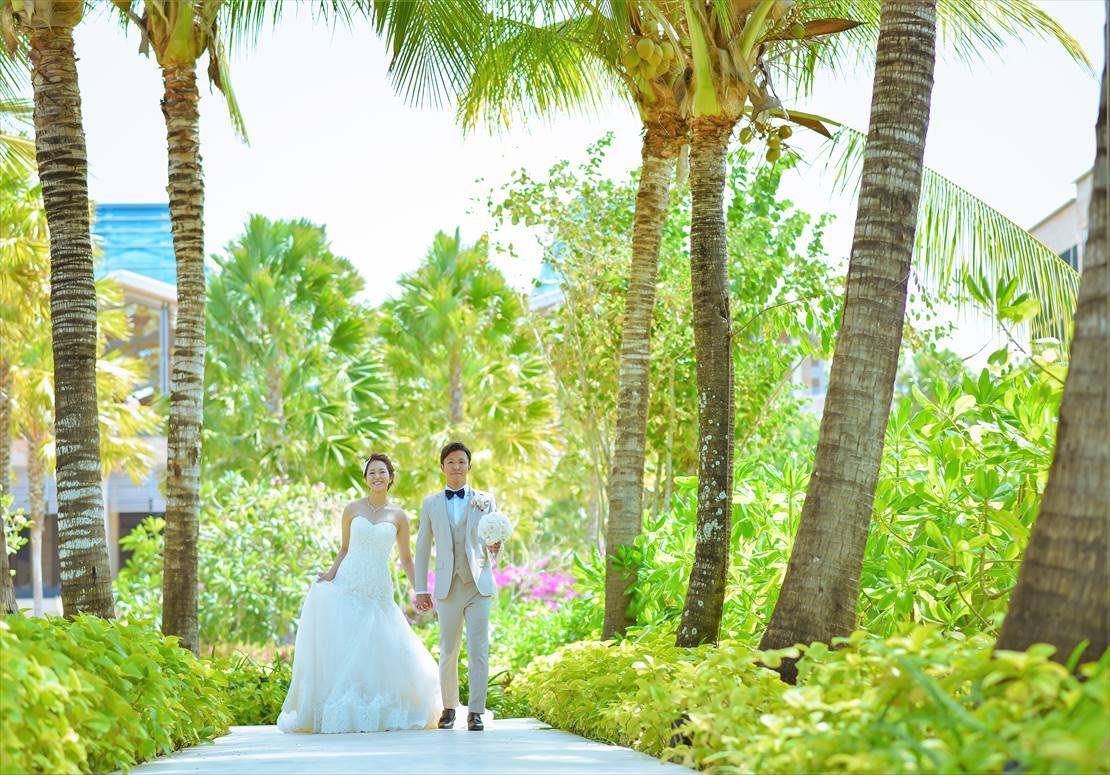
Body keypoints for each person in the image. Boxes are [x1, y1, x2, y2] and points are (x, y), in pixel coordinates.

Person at [277, 454, 439, 734]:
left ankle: (376, 707)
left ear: (390, 478)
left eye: (382, 472)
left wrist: (420, 590)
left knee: (381, 645)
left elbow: (406, 559)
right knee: (348, 644)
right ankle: (343, 705)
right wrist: (330, 575)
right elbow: (344, 549)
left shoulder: (398, 516)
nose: (377, 476)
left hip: (378, 587)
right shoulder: (352, 509)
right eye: (372, 472)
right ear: (365, 479)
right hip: (349, 582)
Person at [414, 441, 503, 732]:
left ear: (469, 466)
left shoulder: (486, 500)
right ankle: (449, 708)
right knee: (448, 650)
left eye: (461, 462)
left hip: (478, 584)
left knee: (479, 650)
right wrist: (421, 589)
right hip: (448, 586)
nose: (456, 467)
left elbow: (494, 541)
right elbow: (423, 548)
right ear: (442, 467)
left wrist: (496, 547)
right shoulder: (430, 504)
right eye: (450, 462)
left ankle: (475, 712)